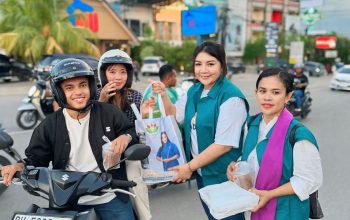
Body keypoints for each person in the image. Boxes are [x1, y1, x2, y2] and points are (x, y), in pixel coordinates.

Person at [1, 58, 137, 220]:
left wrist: (125, 137)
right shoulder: (49, 125)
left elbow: (131, 131)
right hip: (67, 199)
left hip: (109, 194)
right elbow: (36, 160)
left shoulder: (108, 112)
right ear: (60, 92)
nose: (78, 92)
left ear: (91, 87)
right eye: (69, 87)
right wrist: (19, 166)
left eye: (83, 85)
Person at [146, 41, 249, 220]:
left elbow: (223, 145)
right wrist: (163, 95)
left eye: (210, 64)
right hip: (202, 174)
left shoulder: (231, 98)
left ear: (222, 65)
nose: (204, 70)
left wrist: (189, 167)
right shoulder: (194, 90)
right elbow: (175, 116)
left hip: (223, 175)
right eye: (198, 64)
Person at [227, 68, 323, 220]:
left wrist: (270, 194)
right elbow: (254, 158)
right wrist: (237, 168)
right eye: (262, 91)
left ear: (288, 96)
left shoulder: (299, 135)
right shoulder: (251, 124)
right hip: (258, 208)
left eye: (276, 92)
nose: (267, 97)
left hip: (287, 212)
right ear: (256, 92)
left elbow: (308, 180)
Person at [97, 49, 151, 220]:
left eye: (123, 72)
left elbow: (139, 131)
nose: (118, 77)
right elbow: (89, 128)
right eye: (112, 72)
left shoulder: (135, 96)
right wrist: (102, 102)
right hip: (102, 158)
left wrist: (145, 116)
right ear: (103, 74)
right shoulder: (94, 96)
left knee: (138, 194)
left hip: (129, 155)